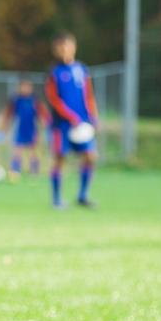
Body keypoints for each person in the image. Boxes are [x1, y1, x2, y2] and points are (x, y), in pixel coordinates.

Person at [44, 32, 99, 209]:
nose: (64, 50)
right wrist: (70, 116)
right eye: (60, 47)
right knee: (60, 158)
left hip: (83, 122)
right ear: (55, 50)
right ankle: (57, 199)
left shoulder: (82, 69)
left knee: (90, 157)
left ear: (73, 47)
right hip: (62, 124)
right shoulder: (54, 72)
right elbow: (53, 99)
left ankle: (83, 195)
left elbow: (89, 95)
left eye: (66, 45)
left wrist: (93, 117)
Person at [0, 80, 49, 179]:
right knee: (17, 151)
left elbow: (42, 115)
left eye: (27, 87)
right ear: (20, 88)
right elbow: (8, 114)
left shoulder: (34, 100)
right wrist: (3, 129)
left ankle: (34, 173)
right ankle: (15, 172)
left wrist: (46, 126)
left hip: (32, 129)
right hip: (20, 129)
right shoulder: (16, 100)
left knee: (33, 151)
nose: (25, 89)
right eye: (23, 87)